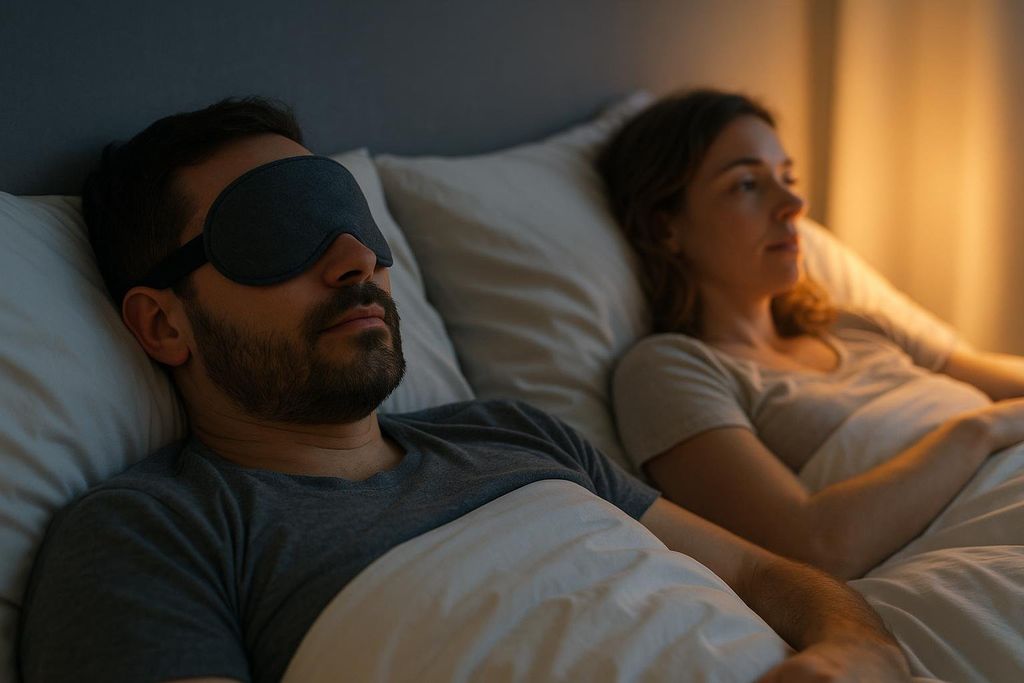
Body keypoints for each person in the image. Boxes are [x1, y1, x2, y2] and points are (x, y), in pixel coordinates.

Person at [18, 96, 911, 683]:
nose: (354, 259)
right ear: (162, 324)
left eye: (350, 220)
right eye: (279, 230)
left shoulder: (513, 432)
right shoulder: (156, 532)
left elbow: (761, 570)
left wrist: (858, 646)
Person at [599, 88, 1024, 581]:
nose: (794, 204)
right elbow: (814, 546)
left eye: (787, 178)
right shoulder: (670, 369)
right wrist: (979, 430)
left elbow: (1004, 380)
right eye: (746, 185)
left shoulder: (851, 325)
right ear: (665, 228)